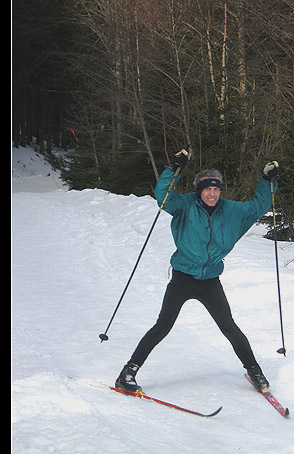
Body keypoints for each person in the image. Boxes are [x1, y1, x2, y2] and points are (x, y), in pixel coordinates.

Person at [115, 150, 279, 394]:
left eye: (216, 190)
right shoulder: (184, 206)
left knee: (228, 326)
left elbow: (259, 205)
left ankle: (254, 369)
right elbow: (164, 196)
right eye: (207, 189)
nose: (212, 194)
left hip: (210, 281)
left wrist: (267, 181)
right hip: (182, 278)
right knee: (162, 326)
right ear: (200, 190)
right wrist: (174, 169)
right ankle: (128, 372)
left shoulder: (231, 211)